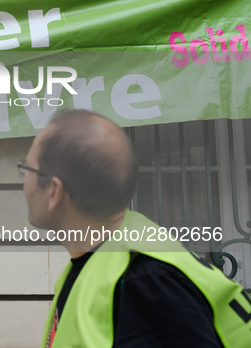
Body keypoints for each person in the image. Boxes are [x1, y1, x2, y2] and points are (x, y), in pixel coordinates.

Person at [19, 109, 251, 348]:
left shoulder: (145, 282)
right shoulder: (109, 265)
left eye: (27, 170)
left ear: (53, 192)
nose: (24, 182)